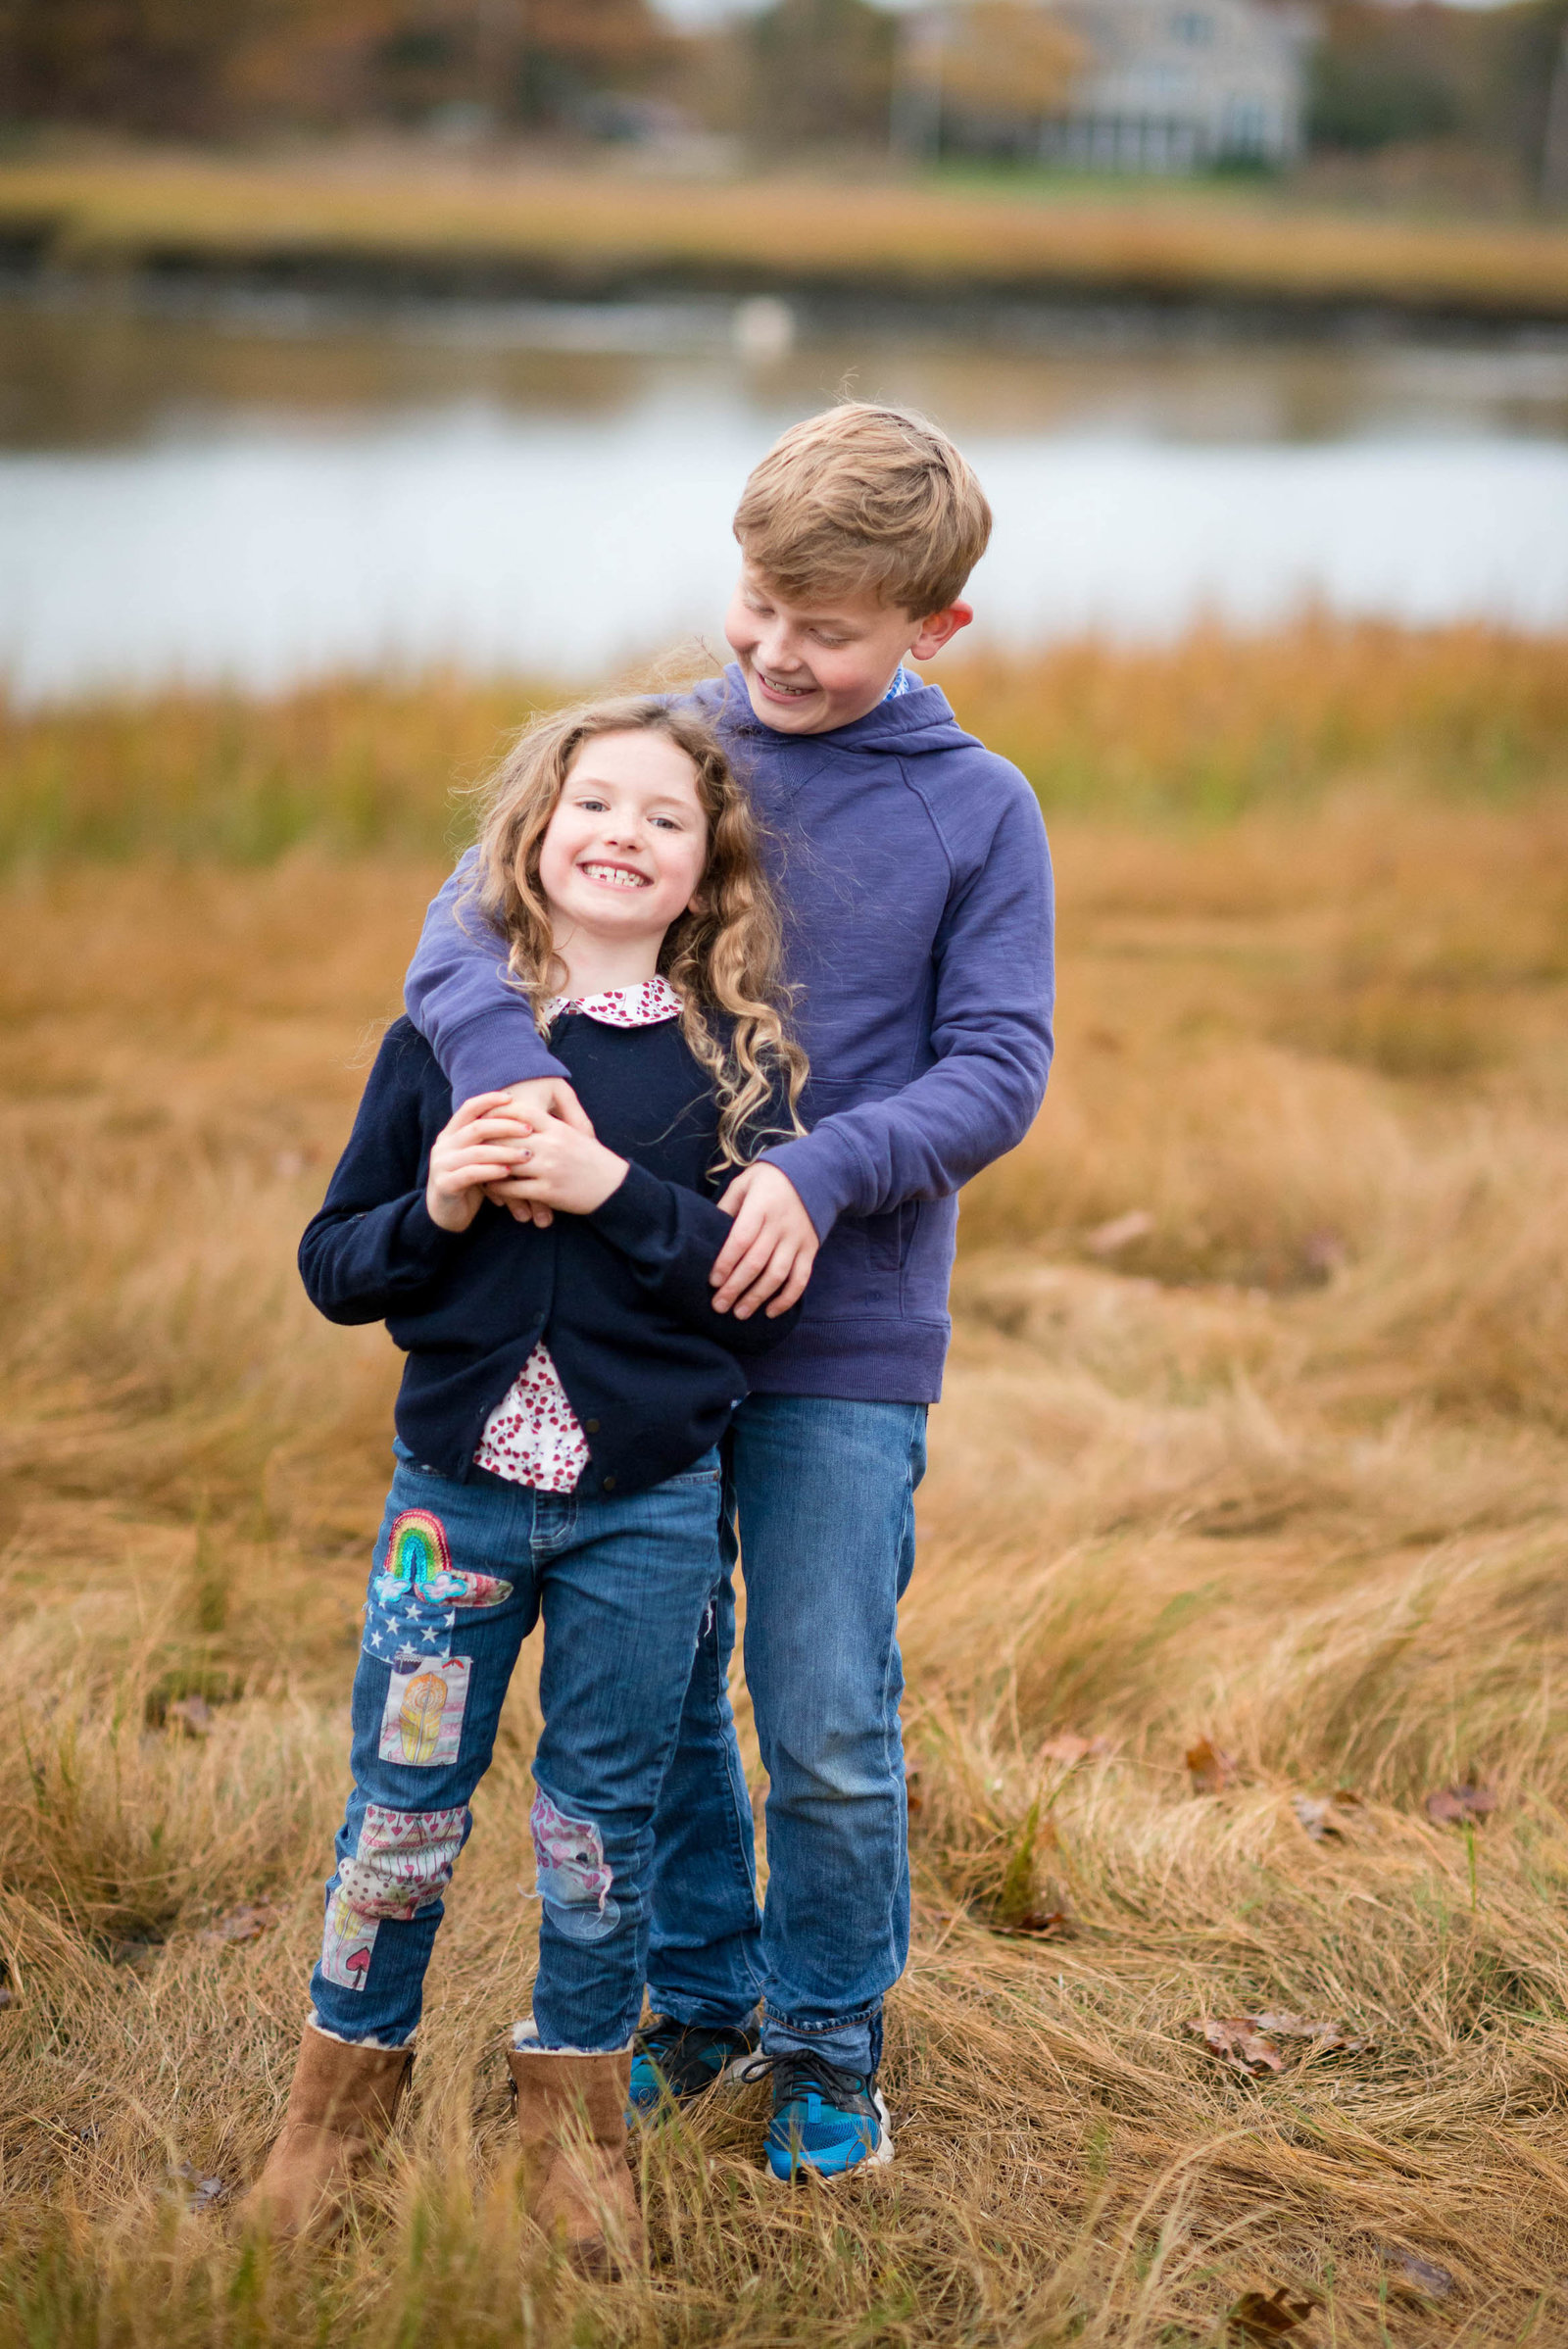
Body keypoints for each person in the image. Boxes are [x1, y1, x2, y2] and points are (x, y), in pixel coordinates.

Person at [403, 403, 1056, 2182]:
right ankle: (693, 2001)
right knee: (663, 1694)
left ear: (935, 629)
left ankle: (830, 2035)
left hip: (842, 1333)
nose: (772, 650)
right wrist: (501, 1078)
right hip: (629, 1320)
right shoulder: (665, 747)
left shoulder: (979, 809)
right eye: (757, 603)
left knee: (824, 1704)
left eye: (827, 629)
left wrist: (818, 1171)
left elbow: (1001, 1065)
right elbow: (462, 931)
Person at [245, 697, 807, 2268]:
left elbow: (755, 1281)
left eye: (664, 819)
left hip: (648, 1510)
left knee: (599, 1822)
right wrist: (432, 1200)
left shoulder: (732, 1062)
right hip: (456, 1507)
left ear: (705, 876)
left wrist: (613, 1191)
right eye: (594, 805)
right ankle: (328, 2125)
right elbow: (336, 1264)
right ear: (533, 838)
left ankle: (574, 2136)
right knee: (402, 1811)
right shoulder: (443, 1037)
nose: (623, 833)